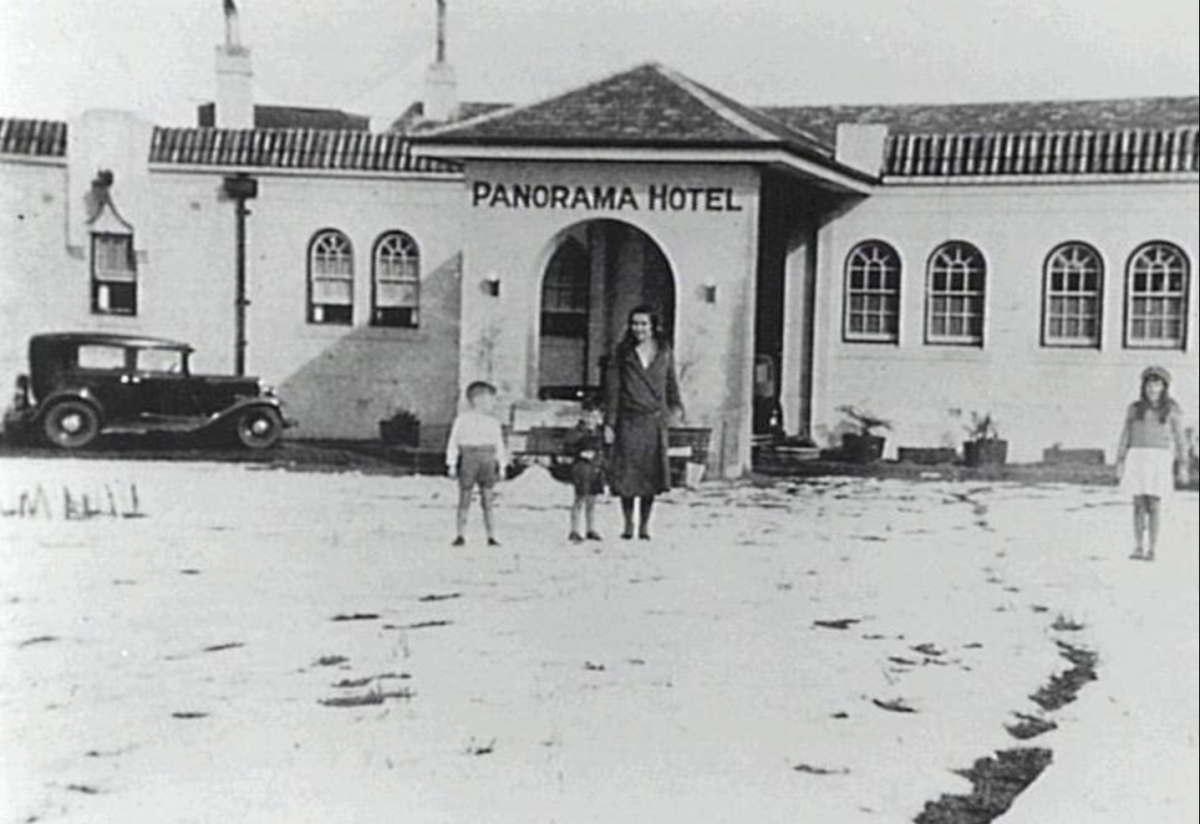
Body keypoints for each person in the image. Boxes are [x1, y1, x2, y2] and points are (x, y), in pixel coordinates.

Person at [603, 304, 684, 540]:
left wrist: (676, 407)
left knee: (650, 476)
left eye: (644, 324)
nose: (639, 328)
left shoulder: (664, 351)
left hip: (654, 421)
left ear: (653, 326)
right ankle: (628, 524)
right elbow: (613, 390)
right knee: (629, 476)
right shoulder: (623, 353)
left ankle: (645, 526)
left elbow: (671, 382)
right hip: (629, 420)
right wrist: (610, 423)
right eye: (635, 323)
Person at [1115, 365, 1189, 561]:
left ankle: (1152, 548)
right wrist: (1120, 461)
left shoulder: (1172, 409)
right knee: (1138, 504)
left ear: (1164, 387)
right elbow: (1125, 434)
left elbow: (1180, 438)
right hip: (1137, 457)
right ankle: (1138, 546)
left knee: (1154, 504)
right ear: (1144, 386)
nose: (1152, 388)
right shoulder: (1135, 408)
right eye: (1149, 383)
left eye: (1157, 384)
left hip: (1159, 458)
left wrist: (1183, 465)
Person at [445, 381, 507, 547]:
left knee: (488, 498)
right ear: (478, 400)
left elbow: (499, 444)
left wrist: (502, 465)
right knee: (465, 496)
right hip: (469, 458)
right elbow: (454, 442)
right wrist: (451, 463)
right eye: (490, 399)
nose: (493, 404)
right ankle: (460, 535)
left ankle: (491, 536)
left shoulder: (493, 422)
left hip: (487, 458)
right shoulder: (462, 420)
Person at [564, 397, 606, 543]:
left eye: (595, 416)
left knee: (592, 500)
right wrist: (579, 453)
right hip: (582, 468)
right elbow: (567, 447)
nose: (591, 420)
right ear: (582, 416)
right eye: (588, 416)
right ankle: (574, 530)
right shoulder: (577, 432)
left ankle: (590, 528)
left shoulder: (600, 432)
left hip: (596, 468)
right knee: (579, 498)